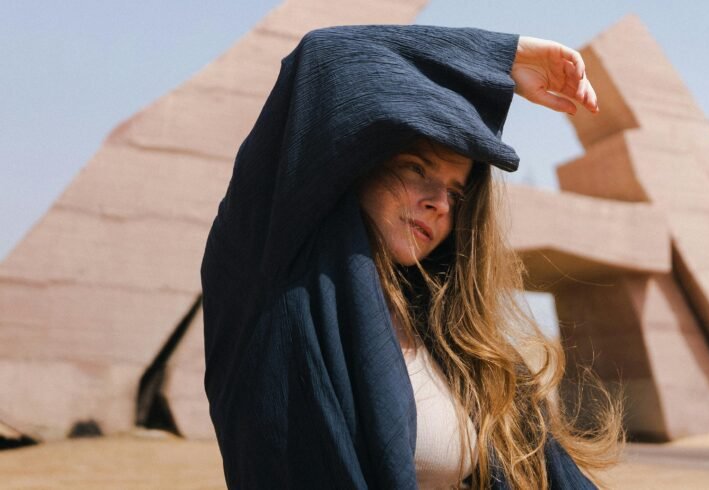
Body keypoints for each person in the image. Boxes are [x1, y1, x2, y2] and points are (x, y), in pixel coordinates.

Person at [201, 23, 622, 489]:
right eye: (416, 168)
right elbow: (325, 59)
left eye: (455, 194)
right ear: (357, 163)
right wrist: (502, 59)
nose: (438, 202)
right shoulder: (277, 279)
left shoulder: (460, 346)